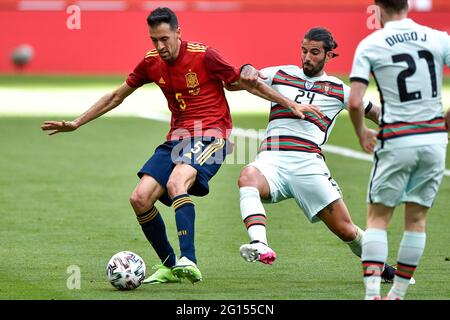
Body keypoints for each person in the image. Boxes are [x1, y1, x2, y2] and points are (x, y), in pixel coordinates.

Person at [40, 7, 322, 285]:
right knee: (139, 198)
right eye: (154, 40)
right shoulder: (151, 62)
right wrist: (77, 122)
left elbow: (247, 83)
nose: (160, 46)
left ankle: (189, 261)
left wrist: (291, 103)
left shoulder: (205, 56)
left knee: (177, 182)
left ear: (178, 33)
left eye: (165, 39)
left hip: (212, 135)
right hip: (177, 139)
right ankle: (169, 265)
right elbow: (116, 96)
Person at [231, 27, 398, 282]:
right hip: (272, 159)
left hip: (308, 164)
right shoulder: (281, 73)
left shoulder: (339, 90)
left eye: (315, 52)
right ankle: (259, 243)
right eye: (304, 51)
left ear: (329, 55)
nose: (307, 57)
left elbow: (374, 112)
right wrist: (246, 69)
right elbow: (238, 82)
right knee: (247, 177)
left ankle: (383, 269)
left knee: (346, 230)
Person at [348, 0, 450, 300]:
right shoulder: (438, 37)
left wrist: (361, 131)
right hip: (433, 140)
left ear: (377, 9)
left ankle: (371, 295)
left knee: (378, 218)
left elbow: (355, 102)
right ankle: (398, 294)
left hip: (396, 138)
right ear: (407, 6)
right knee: (416, 220)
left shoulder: (371, 43)